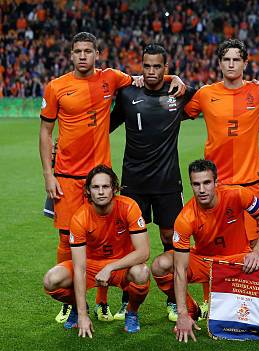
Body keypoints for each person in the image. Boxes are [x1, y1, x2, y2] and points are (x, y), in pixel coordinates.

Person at [39, 32, 184, 323]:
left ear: (97, 54)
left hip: (101, 177)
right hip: (67, 175)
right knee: (67, 239)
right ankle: (70, 303)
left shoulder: (112, 78)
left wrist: (175, 78)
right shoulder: (56, 87)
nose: (83, 56)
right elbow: (45, 132)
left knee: (107, 238)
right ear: (70, 55)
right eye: (77, 51)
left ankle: (103, 303)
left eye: (88, 50)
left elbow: (147, 75)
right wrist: (48, 175)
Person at [109, 43, 196, 320]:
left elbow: (210, 95)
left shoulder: (179, 93)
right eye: (147, 66)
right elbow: (105, 125)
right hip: (133, 183)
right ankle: (127, 297)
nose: (151, 72)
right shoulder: (126, 94)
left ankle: (173, 298)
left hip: (168, 182)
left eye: (157, 67)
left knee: (171, 239)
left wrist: (177, 80)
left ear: (166, 69)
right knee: (131, 245)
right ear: (141, 66)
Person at [183, 40, 259, 317]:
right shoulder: (206, 94)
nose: (231, 64)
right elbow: (181, 111)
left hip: (247, 184)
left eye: (236, 59)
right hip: (215, 187)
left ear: (245, 63)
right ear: (219, 63)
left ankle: (245, 304)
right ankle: (213, 301)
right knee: (211, 244)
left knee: (251, 248)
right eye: (226, 59)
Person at [151, 159, 259, 342]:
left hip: (238, 259)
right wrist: (182, 313)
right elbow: (180, 269)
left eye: (207, 183)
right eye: (196, 184)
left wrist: (257, 252)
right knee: (160, 264)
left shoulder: (238, 194)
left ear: (216, 183)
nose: (202, 189)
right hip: (204, 261)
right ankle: (191, 308)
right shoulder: (185, 218)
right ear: (191, 185)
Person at [42, 165, 151, 336]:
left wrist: (110, 268)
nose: (101, 192)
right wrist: (83, 315)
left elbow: (143, 252)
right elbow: (79, 268)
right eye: (95, 187)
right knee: (51, 280)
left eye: (105, 187)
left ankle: (132, 312)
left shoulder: (129, 207)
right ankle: (79, 308)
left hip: (120, 265)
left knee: (142, 272)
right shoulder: (79, 218)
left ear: (114, 188)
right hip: (90, 266)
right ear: (88, 191)